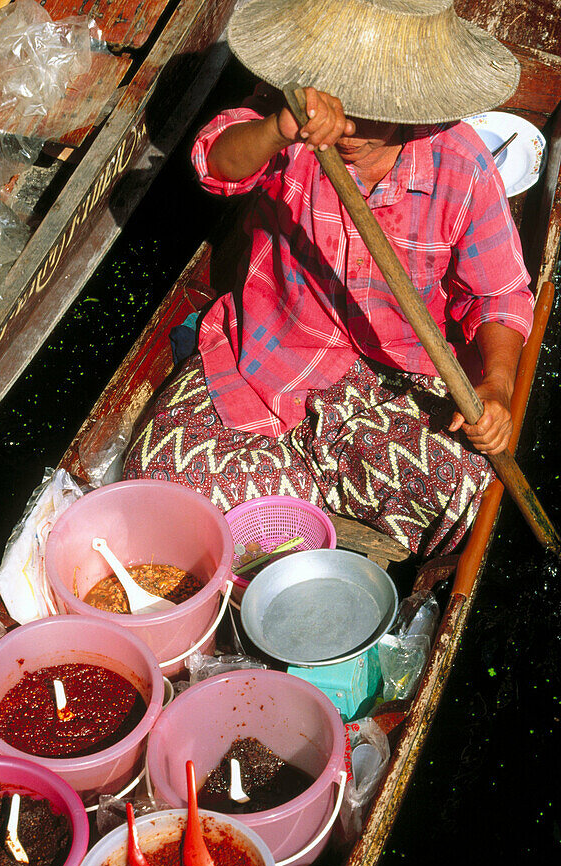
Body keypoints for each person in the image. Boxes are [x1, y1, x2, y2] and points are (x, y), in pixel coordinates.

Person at [123, 0, 535, 557]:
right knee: (163, 475)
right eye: (343, 110)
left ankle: (293, 505)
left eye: (374, 115)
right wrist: (281, 130)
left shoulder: (460, 163)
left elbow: (499, 295)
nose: (348, 131)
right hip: (274, 358)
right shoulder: (290, 123)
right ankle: (305, 503)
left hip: (400, 382)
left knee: (459, 493)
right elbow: (214, 164)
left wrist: (499, 386)